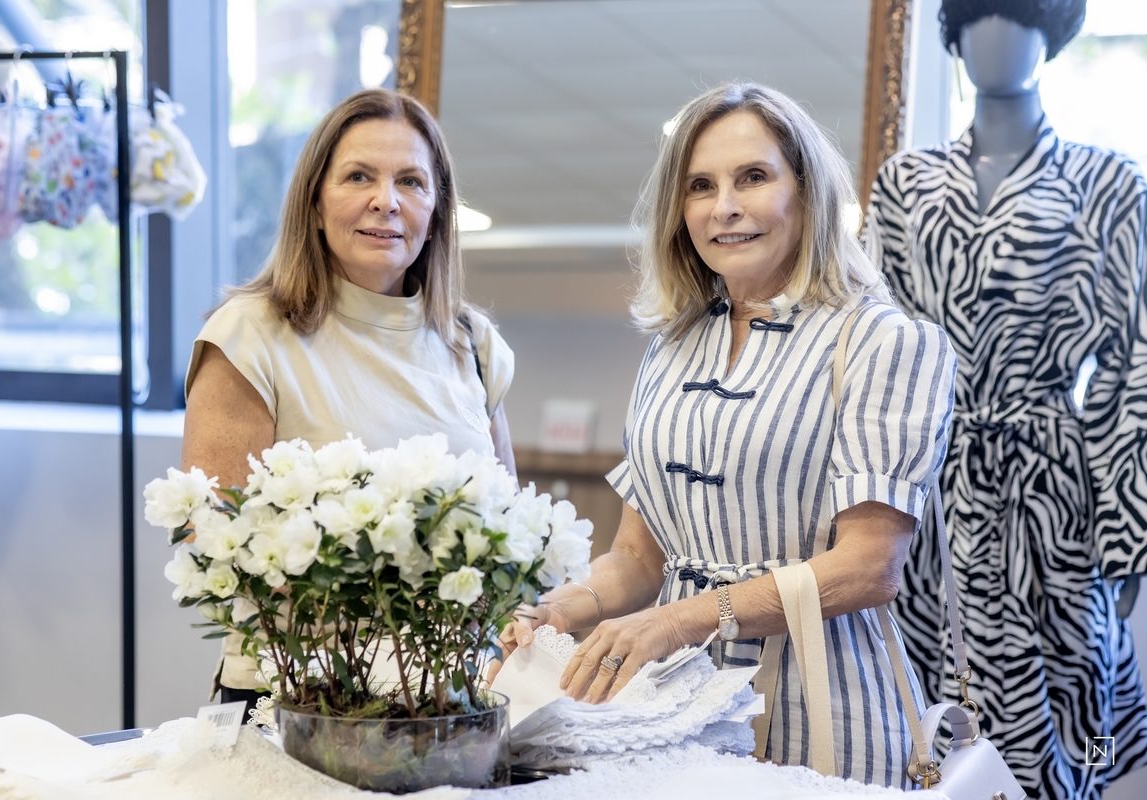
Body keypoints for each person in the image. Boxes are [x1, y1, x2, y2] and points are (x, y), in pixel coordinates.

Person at [492, 82, 956, 787]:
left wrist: (675, 621)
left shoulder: (884, 341)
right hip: (675, 713)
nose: (724, 207)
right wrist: (554, 610)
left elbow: (869, 568)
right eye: (701, 186)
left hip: (829, 711)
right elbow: (637, 559)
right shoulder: (670, 349)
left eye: (753, 177)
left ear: (806, 192)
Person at [863, 1, 1147, 796]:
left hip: (1051, 496)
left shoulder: (1109, 183)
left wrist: (1125, 537)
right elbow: (869, 348)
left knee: (1050, 731)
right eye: (979, 16)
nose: (998, 38)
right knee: (916, 724)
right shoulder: (906, 185)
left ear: (1051, 32)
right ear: (953, 35)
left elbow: (1133, 361)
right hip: (927, 487)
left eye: (1020, 16)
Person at [181, 88, 516, 709]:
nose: (385, 200)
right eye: (359, 176)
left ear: (436, 210)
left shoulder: (472, 343)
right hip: (295, 698)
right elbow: (209, 534)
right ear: (314, 203)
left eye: (410, 181)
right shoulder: (249, 334)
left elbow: (506, 534)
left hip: (446, 697)